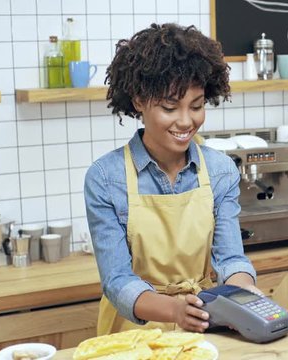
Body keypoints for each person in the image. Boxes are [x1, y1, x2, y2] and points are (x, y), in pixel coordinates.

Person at [84, 23, 259, 335]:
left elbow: (230, 258)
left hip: (202, 321)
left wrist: (244, 292)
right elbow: (117, 280)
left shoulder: (220, 171)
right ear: (138, 101)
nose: (185, 121)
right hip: (132, 334)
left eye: (196, 106)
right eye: (169, 106)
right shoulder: (105, 179)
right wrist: (174, 310)